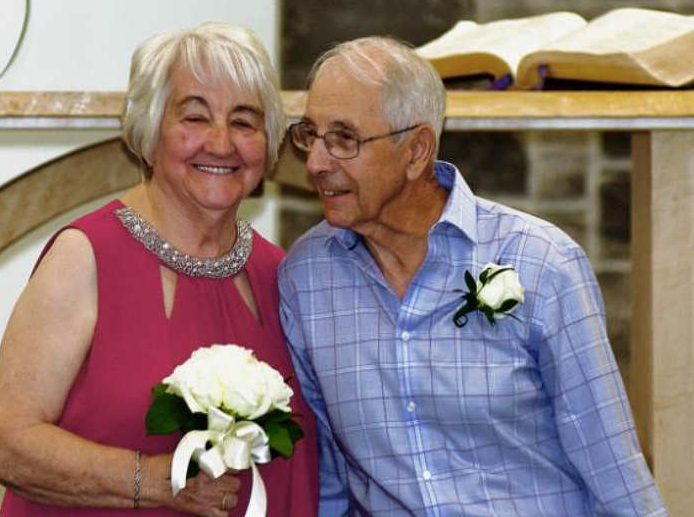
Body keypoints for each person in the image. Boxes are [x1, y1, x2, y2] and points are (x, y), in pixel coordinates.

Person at [278, 36, 667, 516]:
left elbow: (615, 473)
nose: (315, 162)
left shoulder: (542, 262)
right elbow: (328, 482)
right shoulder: (307, 277)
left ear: (417, 150)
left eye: (343, 139)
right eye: (309, 135)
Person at [0, 22, 318, 516]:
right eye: (195, 118)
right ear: (150, 131)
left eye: (244, 122)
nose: (221, 143)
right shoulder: (85, 257)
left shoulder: (279, 274)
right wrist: (158, 480)